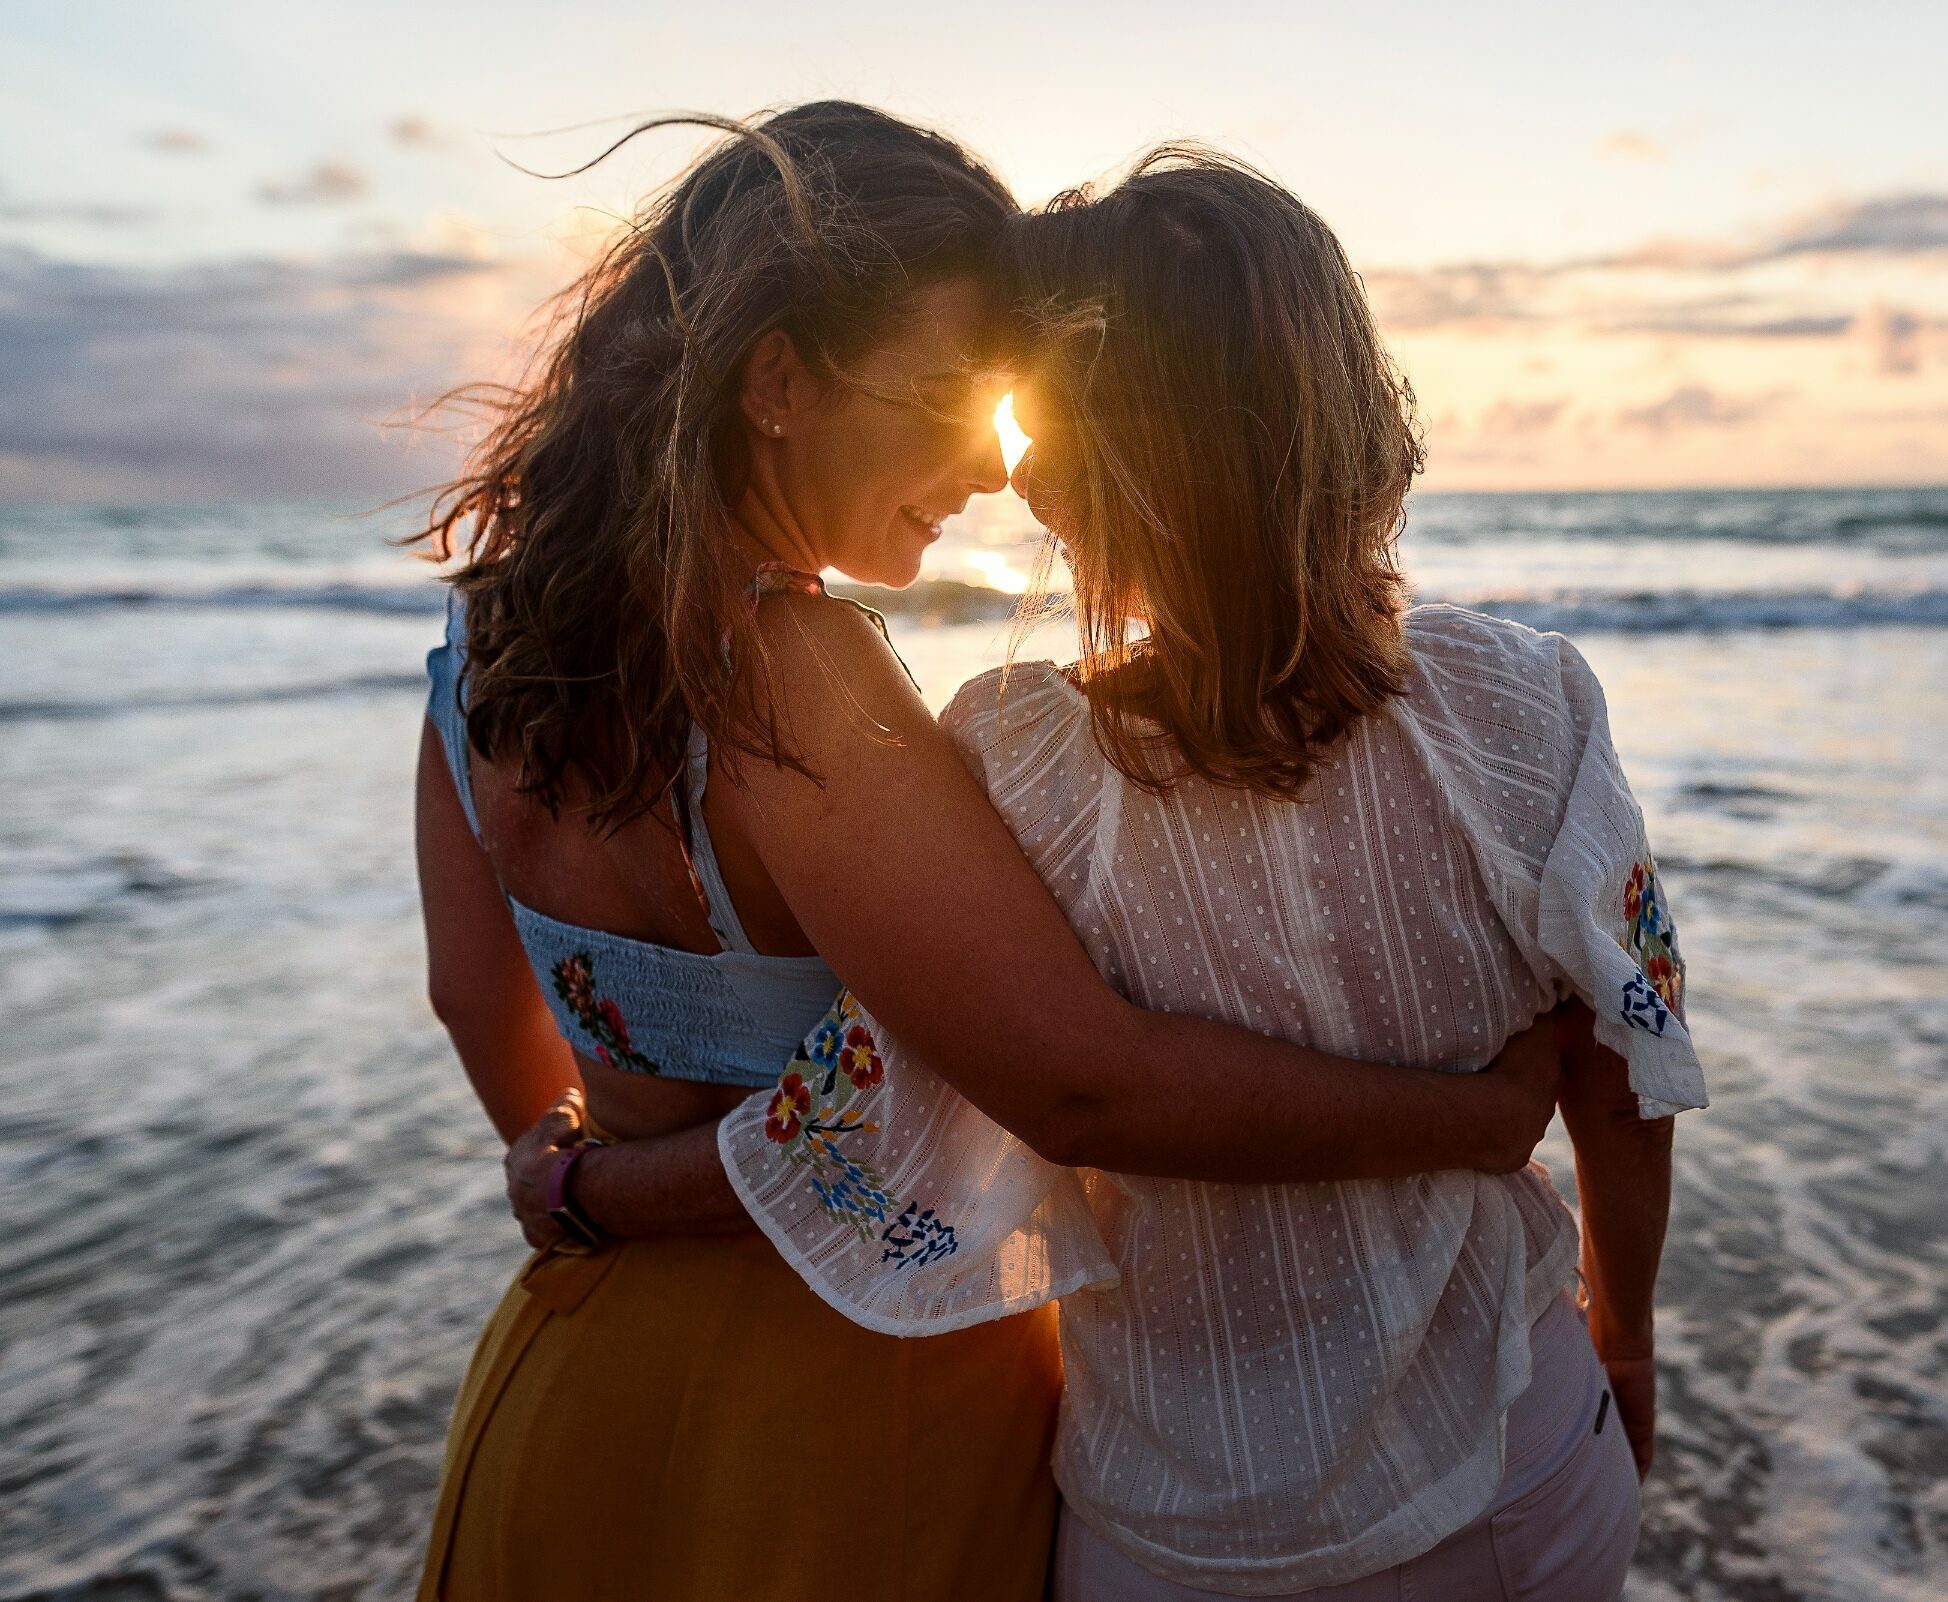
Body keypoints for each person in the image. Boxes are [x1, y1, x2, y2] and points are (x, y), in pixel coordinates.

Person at [411, 106, 1566, 1602]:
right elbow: (1074, 1080)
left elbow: (473, 999)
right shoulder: (791, 669)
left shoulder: (481, 651)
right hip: (851, 1403)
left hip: (575, 1368)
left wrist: (587, 1189)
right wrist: (1476, 1116)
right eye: (951, 392)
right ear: (777, 382)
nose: (995, 460)